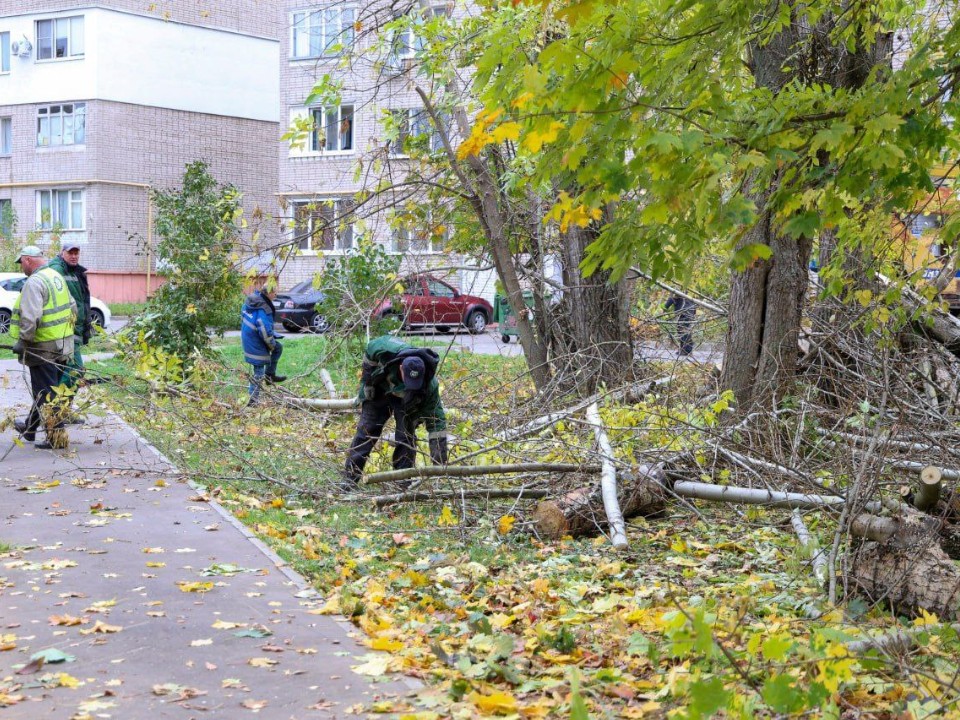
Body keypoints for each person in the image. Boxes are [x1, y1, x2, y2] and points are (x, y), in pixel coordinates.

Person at [343, 336, 449, 488]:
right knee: (366, 431)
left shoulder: (428, 385)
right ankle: (349, 479)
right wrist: (367, 381)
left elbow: (436, 421)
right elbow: (369, 352)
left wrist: (439, 462)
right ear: (401, 368)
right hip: (380, 388)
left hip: (407, 400)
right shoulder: (385, 348)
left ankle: (403, 483)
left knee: (405, 437)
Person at [10, 245, 76, 449]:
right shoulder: (55, 277)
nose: (22, 267)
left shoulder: (34, 282)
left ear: (28, 260)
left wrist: (23, 341)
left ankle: (56, 438)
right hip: (62, 345)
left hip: (43, 347)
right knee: (49, 388)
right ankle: (30, 429)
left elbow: (31, 317)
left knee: (46, 393)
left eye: (21, 263)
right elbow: (72, 307)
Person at [47, 240, 92, 392]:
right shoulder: (57, 270)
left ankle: (60, 412)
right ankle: (55, 406)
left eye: (76, 253)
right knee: (76, 369)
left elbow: (82, 302)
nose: (73, 256)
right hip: (66, 330)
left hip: (75, 329)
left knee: (66, 371)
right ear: (62, 252)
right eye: (70, 253)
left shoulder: (76, 271)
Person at [240, 283, 286, 406]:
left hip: (249, 337)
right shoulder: (263, 308)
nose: (276, 294)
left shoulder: (253, 300)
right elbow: (264, 331)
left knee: (278, 348)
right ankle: (253, 401)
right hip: (255, 341)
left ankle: (270, 375)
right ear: (269, 293)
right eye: (275, 292)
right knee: (258, 371)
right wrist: (271, 344)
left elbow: (244, 314)